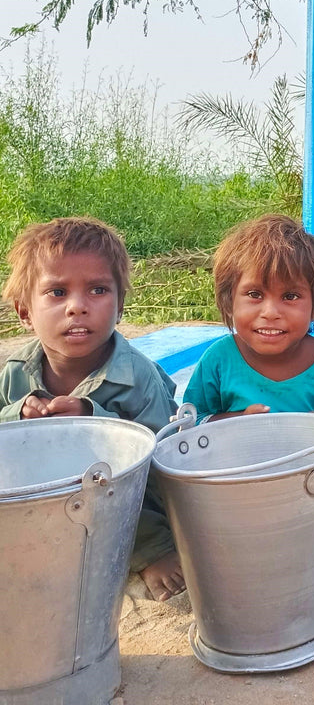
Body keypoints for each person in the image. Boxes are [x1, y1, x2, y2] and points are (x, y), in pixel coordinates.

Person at [183, 214, 314, 572]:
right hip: (244, 482)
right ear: (229, 299)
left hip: (312, 482)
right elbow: (187, 426)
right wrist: (230, 424)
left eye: (290, 296)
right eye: (254, 294)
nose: (270, 312)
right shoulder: (220, 359)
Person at [0, 217, 185, 601]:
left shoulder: (138, 377)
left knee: (145, 490)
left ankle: (150, 552)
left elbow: (158, 462)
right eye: (56, 292)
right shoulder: (14, 374)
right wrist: (16, 415)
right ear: (24, 311)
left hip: (127, 507)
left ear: (119, 308)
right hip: (46, 506)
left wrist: (95, 422)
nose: (77, 307)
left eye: (98, 290)